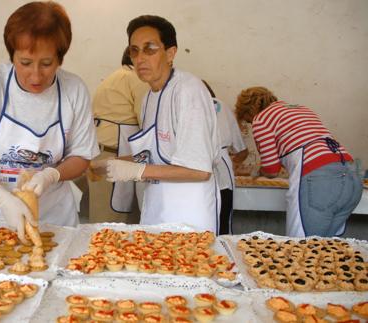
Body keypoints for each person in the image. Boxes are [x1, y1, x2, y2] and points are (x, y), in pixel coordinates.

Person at [0, 1, 99, 242]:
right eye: (25, 63)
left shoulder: (73, 90)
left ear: (61, 58)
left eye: (47, 64)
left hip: (53, 217)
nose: (35, 75)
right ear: (12, 55)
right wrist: (0, 197)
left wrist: (51, 175)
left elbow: (82, 156)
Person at [98, 15, 221, 231]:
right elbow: (155, 153)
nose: (140, 58)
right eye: (134, 51)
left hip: (189, 213)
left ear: (170, 53)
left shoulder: (187, 91)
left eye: (150, 49)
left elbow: (199, 170)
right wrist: (112, 163)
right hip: (157, 206)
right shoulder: (149, 97)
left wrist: (136, 171)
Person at [235, 86, 362, 237]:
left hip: (320, 181)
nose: (251, 124)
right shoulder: (301, 109)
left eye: (248, 121)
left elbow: (271, 169)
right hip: (352, 176)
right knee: (329, 250)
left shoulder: (261, 118)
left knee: (303, 247)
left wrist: (257, 171)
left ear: (249, 112)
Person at [89, 47, 149, 224]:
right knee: (111, 224)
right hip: (115, 156)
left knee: (105, 220)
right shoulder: (136, 79)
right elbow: (149, 122)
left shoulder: (117, 76)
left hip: (101, 152)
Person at [203, 80, 247, 235]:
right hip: (222, 166)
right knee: (223, 222)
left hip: (194, 166)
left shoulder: (186, 106)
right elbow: (242, 150)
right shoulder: (222, 106)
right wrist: (235, 163)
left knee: (200, 221)